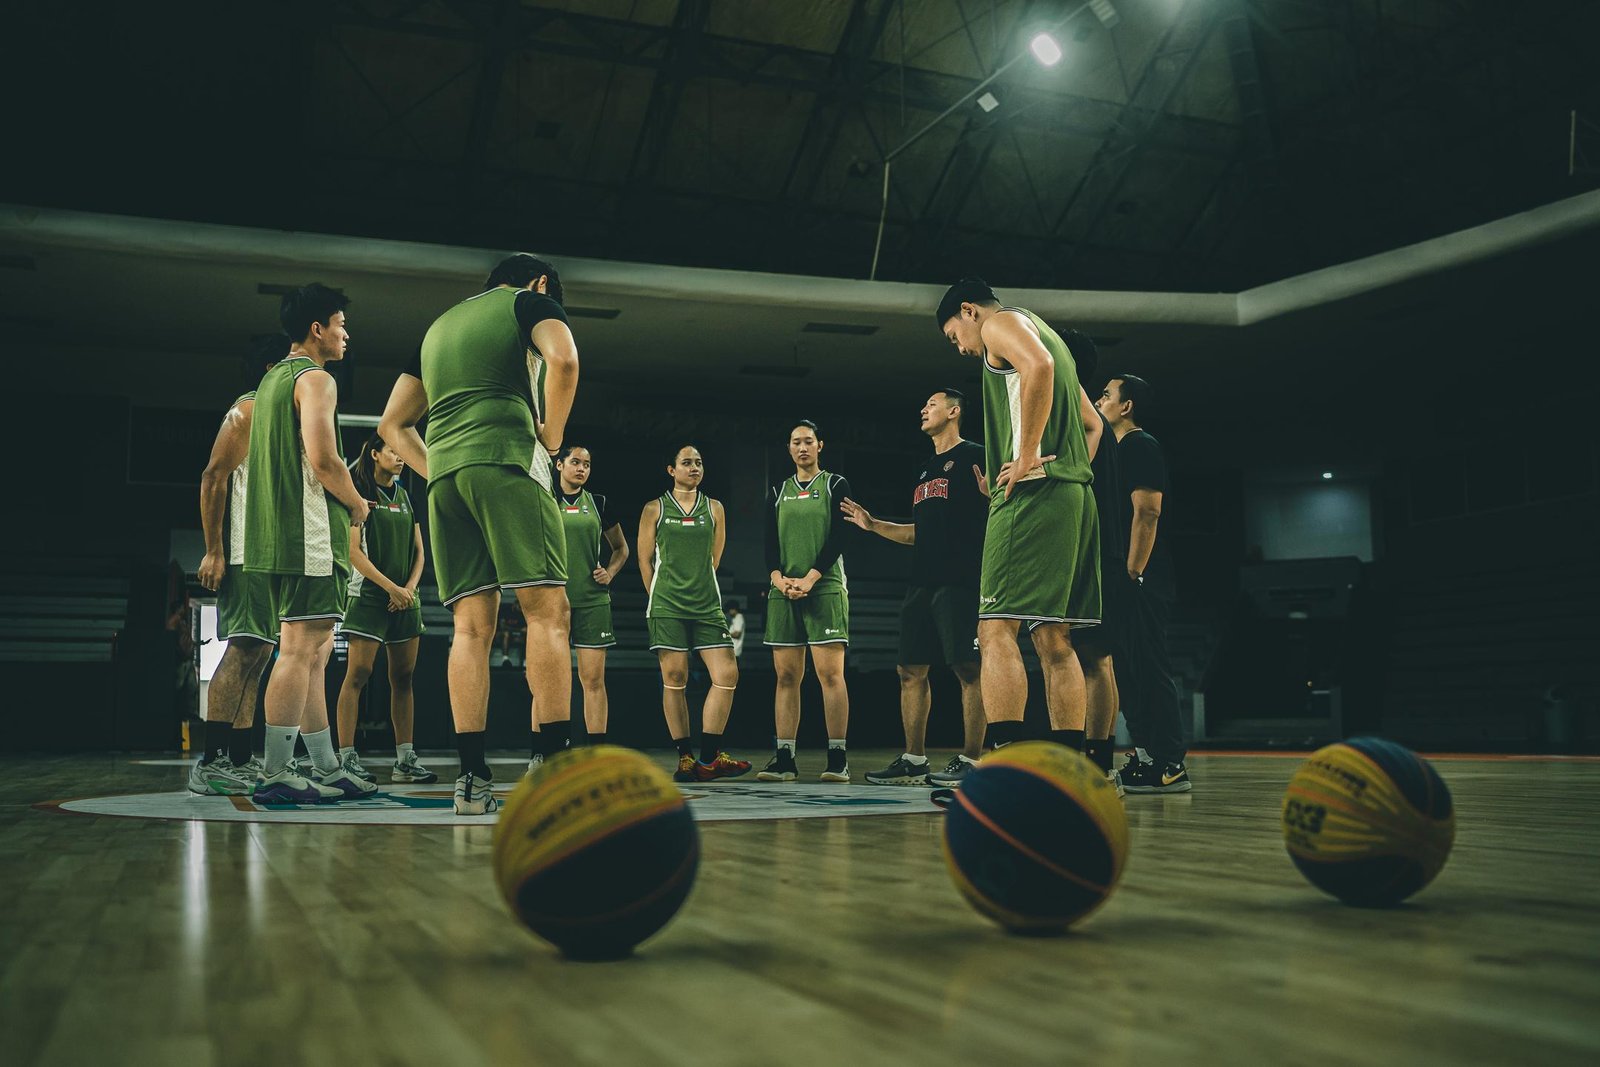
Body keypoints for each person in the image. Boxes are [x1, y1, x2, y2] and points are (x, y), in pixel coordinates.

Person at [377, 253, 578, 815]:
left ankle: (470, 781)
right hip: (509, 462)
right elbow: (563, 360)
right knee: (547, 612)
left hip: (444, 483)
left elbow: (392, 424)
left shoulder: (437, 328)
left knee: (470, 628)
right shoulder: (528, 303)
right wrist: (552, 437)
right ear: (540, 283)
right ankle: (554, 766)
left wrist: (439, 467)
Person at [934, 278, 1102, 766]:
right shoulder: (1048, 332)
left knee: (994, 629)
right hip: (1073, 494)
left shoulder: (1000, 325)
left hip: (1033, 496)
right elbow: (1092, 426)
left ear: (969, 311)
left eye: (953, 336)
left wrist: (1026, 457)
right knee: (1053, 636)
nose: (961, 348)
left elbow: (1038, 367)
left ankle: (1002, 765)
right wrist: (1058, 465)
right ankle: (1071, 767)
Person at [243, 284, 375, 803]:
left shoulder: (273, 378)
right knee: (299, 650)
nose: (347, 333)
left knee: (316, 652)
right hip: (309, 534)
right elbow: (323, 460)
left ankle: (324, 765)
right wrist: (358, 502)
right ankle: (276, 773)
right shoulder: (316, 379)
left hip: (276, 534)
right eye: (341, 323)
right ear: (317, 329)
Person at [841, 390, 988, 786]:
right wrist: (874, 526)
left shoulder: (976, 455)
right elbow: (918, 534)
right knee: (909, 669)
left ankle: (973, 760)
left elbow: (1000, 506)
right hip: (921, 581)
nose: (923, 409)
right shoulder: (924, 470)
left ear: (954, 411)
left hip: (961, 579)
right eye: (923, 405)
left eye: (932, 404)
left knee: (967, 668)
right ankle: (914, 759)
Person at [191, 343, 282, 795]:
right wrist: (214, 550)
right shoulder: (248, 409)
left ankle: (240, 759)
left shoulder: (279, 418)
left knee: (260, 655)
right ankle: (210, 762)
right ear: (270, 368)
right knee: (242, 651)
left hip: (269, 555)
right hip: (244, 552)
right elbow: (212, 476)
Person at [1096, 374, 1189, 793]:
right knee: (1127, 670)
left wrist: (1132, 572)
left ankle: (1170, 765)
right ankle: (1147, 756)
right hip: (1119, 576)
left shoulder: (1140, 444)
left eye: (1106, 395)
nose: (1100, 400)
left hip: (1140, 575)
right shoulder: (1110, 451)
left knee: (1149, 667)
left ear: (1126, 406)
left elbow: (1147, 512)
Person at [637, 445, 751, 782]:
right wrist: (658, 596)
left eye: (699, 462)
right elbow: (644, 561)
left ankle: (711, 757)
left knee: (727, 674)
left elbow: (714, 560)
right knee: (675, 679)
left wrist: (698, 586)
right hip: (667, 604)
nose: (694, 468)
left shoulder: (715, 508)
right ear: (671, 470)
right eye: (686, 463)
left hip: (706, 604)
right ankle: (685, 757)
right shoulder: (654, 508)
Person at [333, 433, 435, 784]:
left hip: (406, 598)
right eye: (393, 450)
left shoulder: (407, 495)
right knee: (358, 676)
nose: (400, 456)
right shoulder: (358, 494)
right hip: (370, 597)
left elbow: (420, 552)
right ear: (375, 454)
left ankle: (405, 761)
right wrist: (390, 587)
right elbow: (352, 553)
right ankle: (346, 758)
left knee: (403, 679)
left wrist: (406, 589)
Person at [757, 421, 853, 783]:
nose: (802, 447)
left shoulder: (835, 484)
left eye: (808, 441)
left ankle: (838, 758)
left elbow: (841, 534)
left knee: (831, 675)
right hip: (784, 591)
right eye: (796, 442)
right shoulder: (778, 490)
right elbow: (768, 540)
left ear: (820, 445)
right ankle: (785, 759)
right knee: (786, 676)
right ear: (789, 448)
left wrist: (812, 577)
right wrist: (777, 578)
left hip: (824, 587)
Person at [1060, 332, 1127, 796]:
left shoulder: (1082, 413)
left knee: (1095, 657)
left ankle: (1099, 761)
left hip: (1096, 550)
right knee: (1077, 655)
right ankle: (1085, 757)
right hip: (1078, 547)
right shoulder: (1070, 406)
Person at [553, 445, 628, 746]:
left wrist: (609, 572)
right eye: (575, 462)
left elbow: (622, 549)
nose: (581, 468)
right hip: (554, 603)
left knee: (593, 680)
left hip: (593, 601)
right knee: (551, 683)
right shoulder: (544, 499)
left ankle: (596, 753)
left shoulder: (598, 503)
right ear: (559, 465)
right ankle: (544, 751)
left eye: (586, 464)